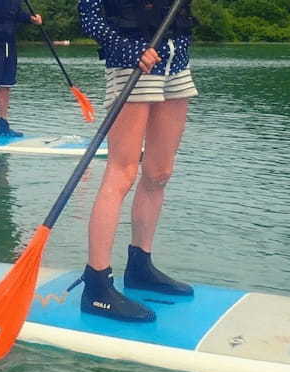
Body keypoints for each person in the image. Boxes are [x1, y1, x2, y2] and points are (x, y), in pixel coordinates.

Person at [76, 0, 198, 322]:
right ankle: (97, 285)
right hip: (133, 67)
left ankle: (140, 267)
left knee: (159, 173)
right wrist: (130, 50)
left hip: (175, 63)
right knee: (122, 172)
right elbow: (90, 19)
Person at [0, 0, 43, 142]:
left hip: (9, 40)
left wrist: (31, 19)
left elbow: (15, 14)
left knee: (6, 85)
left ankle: (2, 125)